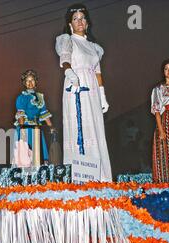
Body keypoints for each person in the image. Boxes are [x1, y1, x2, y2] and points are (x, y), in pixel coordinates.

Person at [55, 3, 112, 181]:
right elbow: (65, 58)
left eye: (82, 18)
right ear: (70, 24)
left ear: (87, 23)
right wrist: (69, 72)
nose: (79, 21)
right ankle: (82, 177)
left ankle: (101, 177)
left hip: (92, 89)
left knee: (95, 129)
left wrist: (102, 96)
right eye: (75, 19)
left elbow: (98, 72)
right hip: (75, 86)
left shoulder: (94, 47)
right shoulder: (67, 39)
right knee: (79, 129)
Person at [14, 70, 55, 166]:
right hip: (26, 128)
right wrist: (22, 129)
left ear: (36, 82)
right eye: (27, 81)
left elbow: (44, 113)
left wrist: (51, 127)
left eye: (32, 80)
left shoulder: (40, 97)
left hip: (37, 129)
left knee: (39, 151)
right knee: (26, 152)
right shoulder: (22, 97)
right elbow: (21, 115)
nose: (30, 83)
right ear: (24, 83)